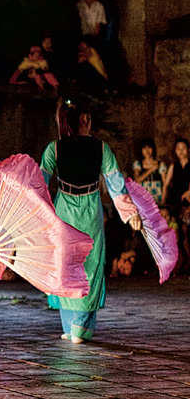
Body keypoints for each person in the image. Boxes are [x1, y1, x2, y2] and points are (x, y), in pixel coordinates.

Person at [40, 100, 142, 344]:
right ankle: (79, 327)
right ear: (85, 118)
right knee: (90, 265)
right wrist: (130, 213)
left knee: (66, 265)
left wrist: (34, 216)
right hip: (88, 210)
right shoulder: (101, 148)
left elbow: (39, 183)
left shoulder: (54, 148)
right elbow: (116, 183)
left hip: (64, 209)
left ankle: (71, 327)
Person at [162, 138, 190, 271]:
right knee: (176, 232)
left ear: (188, 150)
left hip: (187, 203)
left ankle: (187, 260)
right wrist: (163, 202)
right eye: (178, 148)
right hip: (175, 203)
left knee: (186, 232)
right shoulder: (174, 166)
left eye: (183, 148)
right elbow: (166, 185)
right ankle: (180, 261)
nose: (181, 151)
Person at [132, 138, 167, 205]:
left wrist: (164, 199)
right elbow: (137, 180)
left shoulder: (160, 164)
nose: (147, 151)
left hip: (157, 194)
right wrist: (151, 170)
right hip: (143, 195)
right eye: (144, 148)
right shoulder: (137, 164)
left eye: (149, 148)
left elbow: (165, 183)